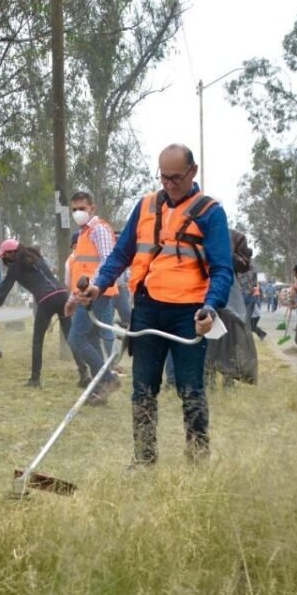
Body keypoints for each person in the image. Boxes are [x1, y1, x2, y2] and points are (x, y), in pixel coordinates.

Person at [79, 144, 234, 464]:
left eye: (176, 177)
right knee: (143, 389)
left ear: (193, 172)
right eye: (163, 177)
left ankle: (197, 462)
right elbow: (121, 255)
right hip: (148, 309)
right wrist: (98, 285)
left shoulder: (210, 212)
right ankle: (144, 460)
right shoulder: (146, 205)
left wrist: (210, 307)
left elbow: (222, 269)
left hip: (190, 313)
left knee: (191, 390)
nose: (169, 184)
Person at [0, 239, 81, 388]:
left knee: (37, 340)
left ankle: (35, 379)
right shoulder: (35, 257)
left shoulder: (15, 266)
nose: (4, 259)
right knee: (69, 336)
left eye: (5, 256)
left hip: (47, 300)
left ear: (12, 252)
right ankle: (84, 373)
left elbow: (2, 292)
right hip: (62, 295)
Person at [66, 191, 118, 393]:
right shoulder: (82, 234)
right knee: (92, 340)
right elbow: (80, 270)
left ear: (92, 208)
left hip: (97, 294)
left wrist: (91, 287)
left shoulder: (99, 230)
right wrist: (72, 299)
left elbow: (107, 261)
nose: (78, 213)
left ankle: (108, 378)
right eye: (74, 209)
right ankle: (100, 389)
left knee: (76, 339)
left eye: (82, 208)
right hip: (86, 295)